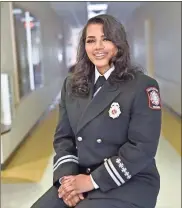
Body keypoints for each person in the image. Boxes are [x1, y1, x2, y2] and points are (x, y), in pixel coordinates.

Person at [31, 14, 162, 208]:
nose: (98, 47)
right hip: (80, 174)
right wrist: (67, 181)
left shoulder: (142, 86)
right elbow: (64, 138)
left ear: (119, 44)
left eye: (106, 39)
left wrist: (90, 181)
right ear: (84, 47)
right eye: (91, 41)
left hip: (129, 180)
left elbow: (142, 148)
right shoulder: (72, 84)